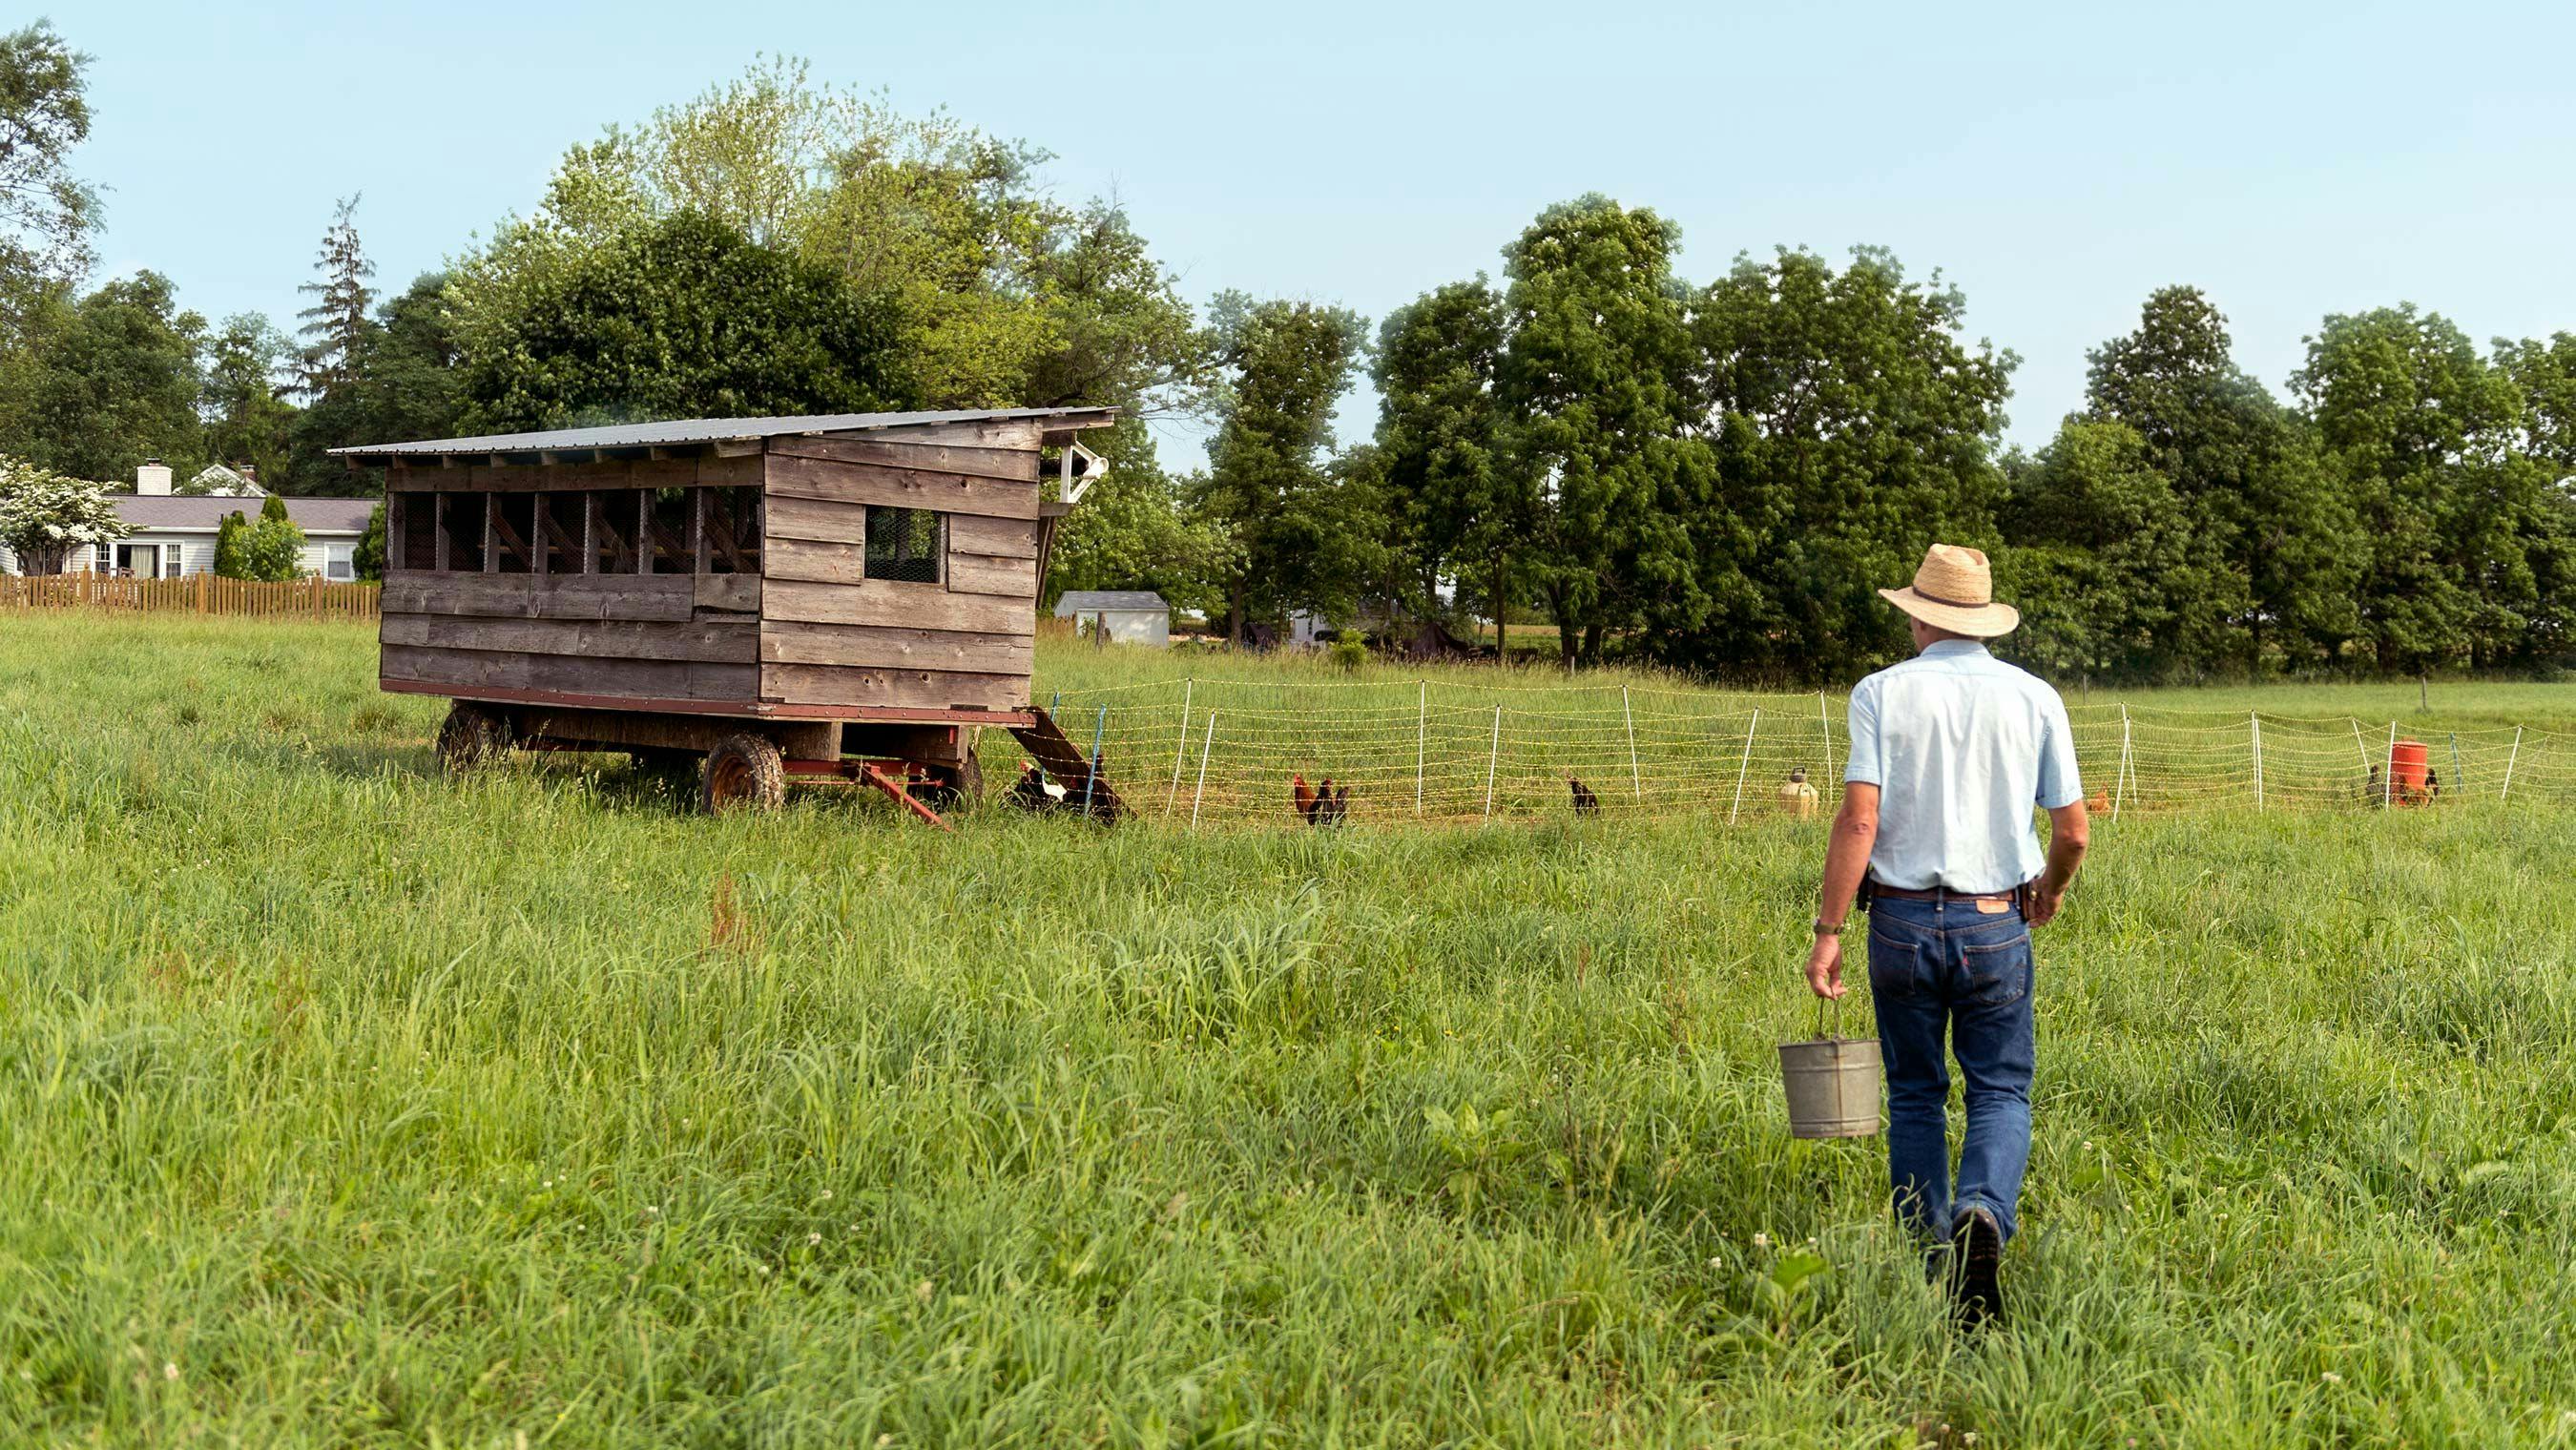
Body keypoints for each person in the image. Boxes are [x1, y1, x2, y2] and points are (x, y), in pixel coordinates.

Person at [1801, 543, 2089, 1329]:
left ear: (1922, 616)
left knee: (1916, 1092)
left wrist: (1828, 931)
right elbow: (2073, 830)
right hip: (1997, 919)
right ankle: (1985, 1213)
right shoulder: (2034, 697)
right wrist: (2050, 892)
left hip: (1896, 921)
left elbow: (1860, 817)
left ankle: (1930, 1258)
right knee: (1999, 1087)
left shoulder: (1880, 693)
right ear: (1983, 620)